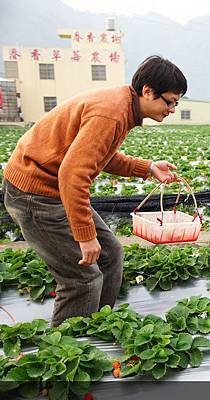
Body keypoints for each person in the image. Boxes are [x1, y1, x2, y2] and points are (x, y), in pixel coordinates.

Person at [3, 55, 186, 326]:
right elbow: (73, 174)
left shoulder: (123, 106)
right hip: (35, 193)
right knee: (82, 278)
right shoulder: (111, 113)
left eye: (176, 103)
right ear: (147, 91)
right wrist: (85, 235)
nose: (171, 109)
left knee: (110, 253)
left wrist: (147, 167)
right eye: (169, 101)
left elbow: (100, 155)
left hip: (53, 188)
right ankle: (65, 352)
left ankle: (97, 327)